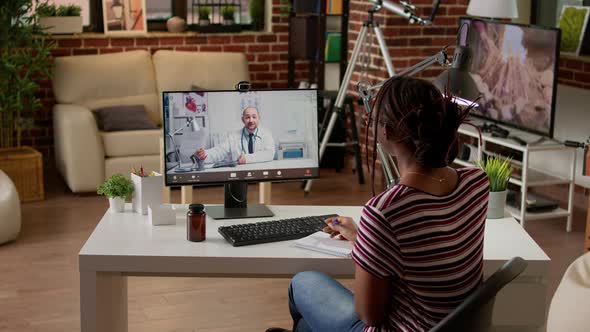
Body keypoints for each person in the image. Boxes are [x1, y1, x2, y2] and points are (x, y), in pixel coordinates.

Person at [267, 77, 489, 332]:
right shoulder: (476, 182)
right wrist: (365, 239)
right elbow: (423, 243)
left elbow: (369, 315)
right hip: (447, 325)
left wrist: (370, 242)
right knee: (307, 326)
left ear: (387, 132)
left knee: (301, 283)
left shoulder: (385, 211)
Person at [195, 106, 275, 165]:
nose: (251, 120)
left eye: (254, 117)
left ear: (259, 118)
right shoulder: (233, 137)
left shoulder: (266, 134)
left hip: (260, 174)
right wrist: (205, 154)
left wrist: (247, 159)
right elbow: (219, 151)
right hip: (241, 176)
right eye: (247, 117)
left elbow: (269, 154)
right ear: (242, 120)